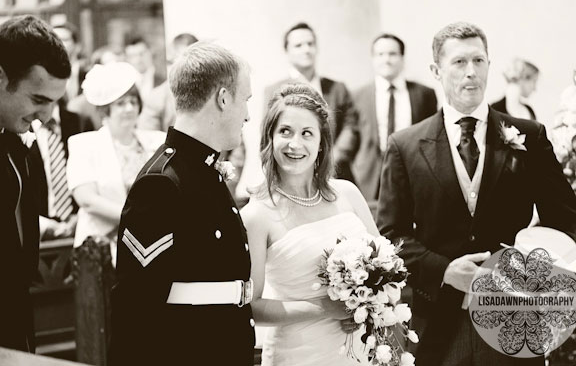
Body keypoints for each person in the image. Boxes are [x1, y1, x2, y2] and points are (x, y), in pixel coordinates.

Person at [376, 22, 576, 366]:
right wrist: (444, 270)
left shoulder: (530, 137)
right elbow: (391, 236)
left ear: (490, 65)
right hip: (438, 324)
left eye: (479, 61)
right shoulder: (404, 146)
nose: (471, 73)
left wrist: (543, 276)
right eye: (459, 63)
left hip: (516, 321)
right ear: (436, 70)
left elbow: (574, 224)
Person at [109, 42, 255, 365]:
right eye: (246, 100)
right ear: (222, 98)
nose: (248, 114)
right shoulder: (161, 184)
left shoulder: (202, 169)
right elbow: (135, 311)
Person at [241, 83, 379, 365]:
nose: (295, 144)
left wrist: (368, 303)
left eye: (307, 133)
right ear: (270, 137)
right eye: (285, 132)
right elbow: (251, 307)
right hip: (300, 353)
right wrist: (325, 308)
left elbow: (386, 267)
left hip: (362, 348)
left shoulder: (348, 193)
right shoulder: (257, 215)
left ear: (321, 143)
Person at [0, 14, 70, 352]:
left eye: (54, 103)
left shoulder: (14, 139)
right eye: (38, 100)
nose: (45, 116)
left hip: (17, 309)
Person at [66, 62, 164, 264]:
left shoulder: (156, 142)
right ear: (104, 110)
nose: (129, 108)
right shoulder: (85, 144)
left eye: (133, 101)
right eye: (120, 103)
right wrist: (136, 220)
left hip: (151, 246)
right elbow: (87, 200)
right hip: (101, 249)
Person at [265, 22, 359, 183]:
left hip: (336, 173)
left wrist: (331, 158)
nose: (306, 50)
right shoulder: (274, 91)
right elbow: (269, 134)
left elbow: (351, 127)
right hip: (291, 175)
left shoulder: (337, 88)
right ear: (287, 51)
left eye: (310, 44)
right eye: (299, 45)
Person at [353, 33, 438, 207]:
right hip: (370, 177)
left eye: (392, 54)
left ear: (402, 58)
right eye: (380, 55)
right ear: (373, 59)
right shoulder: (358, 96)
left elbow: (432, 137)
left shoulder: (424, 94)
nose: (387, 60)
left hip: (413, 171)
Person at [28, 100, 94, 240]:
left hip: (80, 226)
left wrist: (81, 217)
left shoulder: (80, 122)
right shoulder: (19, 127)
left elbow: (94, 176)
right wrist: (43, 224)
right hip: (36, 229)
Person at [138, 32, 198, 131]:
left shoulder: (215, 93)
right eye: (174, 62)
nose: (184, 69)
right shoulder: (157, 98)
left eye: (192, 62)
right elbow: (150, 139)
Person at [125, 36, 165, 103]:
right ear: (127, 59)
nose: (138, 59)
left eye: (142, 54)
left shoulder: (164, 80)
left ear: (150, 52)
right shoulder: (126, 83)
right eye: (133, 55)